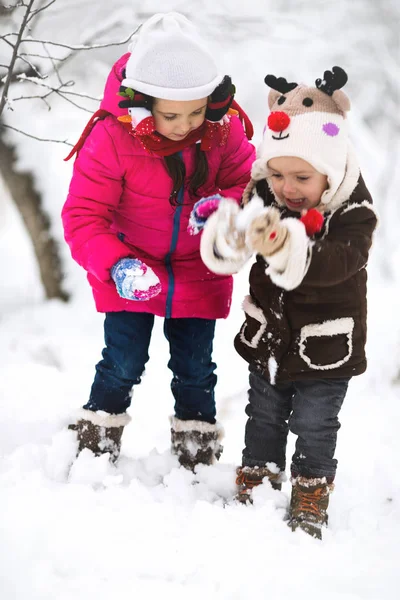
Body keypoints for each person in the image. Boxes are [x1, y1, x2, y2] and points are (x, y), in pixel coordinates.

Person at [62, 12, 255, 468]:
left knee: (195, 371)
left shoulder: (222, 130)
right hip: (131, 269)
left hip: (198, 272)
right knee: (122, 362)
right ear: (143, 104)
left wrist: (223, 211)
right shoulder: (113, 137)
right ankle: (96, 441)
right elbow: (84, 215)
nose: (184, 125)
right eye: (170, 115)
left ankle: (196, 455)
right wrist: (115, 265)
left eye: (195, 112)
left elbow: (248, 185)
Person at [200, 67, 377, 538]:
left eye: (302, 176)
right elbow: (237, 243)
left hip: (325, 346)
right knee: (263, 413)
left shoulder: (355, 216)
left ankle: (311, 487)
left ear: (331, 172)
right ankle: (257, 475)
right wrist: (228, 234)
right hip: (271, 338)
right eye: (276, 173)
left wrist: (285, 245)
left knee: (315, 423)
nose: (287, 187)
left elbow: (336, 263)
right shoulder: (267, 197)